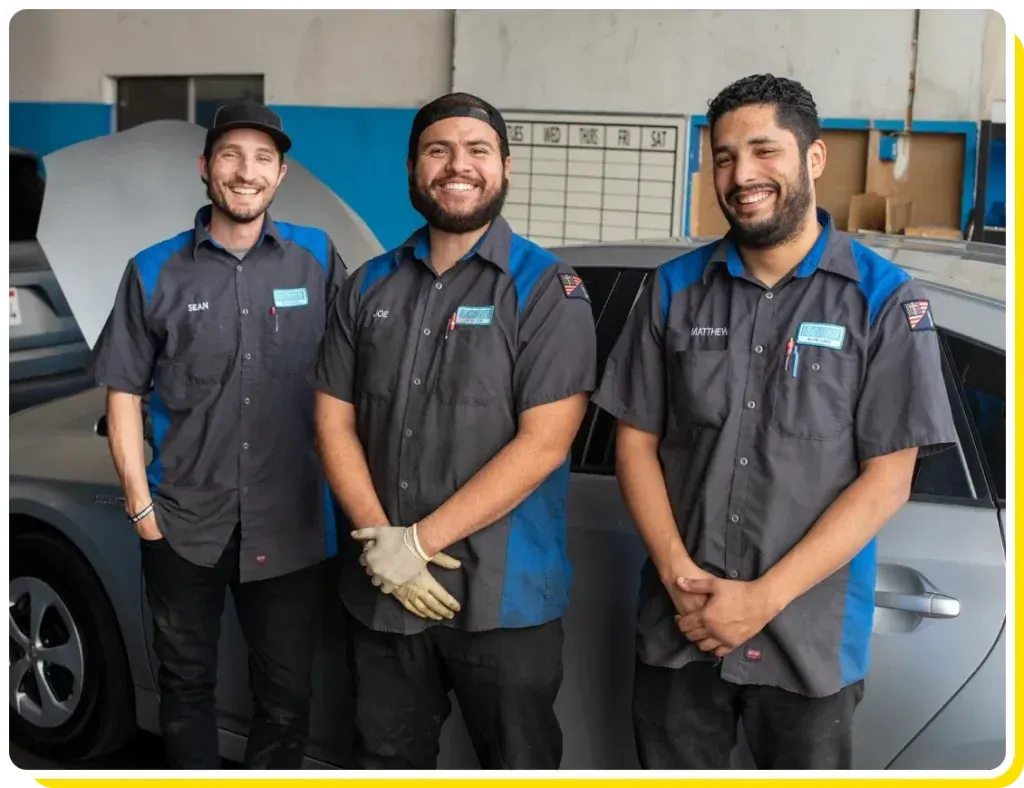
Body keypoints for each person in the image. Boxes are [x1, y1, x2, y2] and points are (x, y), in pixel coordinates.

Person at [590, 74, 958, 770]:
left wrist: (760, 600)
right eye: (725, 156)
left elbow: (887, 480)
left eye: (764, 151)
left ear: (813, 159)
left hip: (807, 645)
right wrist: (678, 581)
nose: (742, 174)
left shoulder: (880, 300)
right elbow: (633, 443)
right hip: (681, 631)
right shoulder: (672, 290)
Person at [311, 92, 597, 769]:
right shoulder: (368, 286)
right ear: (413, 169)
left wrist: (418, 543)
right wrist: (385, 548)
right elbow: (333, 419)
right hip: (382, 598)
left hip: (505, 599)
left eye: (476, 150)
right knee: (383, 763)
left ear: (505, 167)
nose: (457, 165)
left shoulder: (546, 290)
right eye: (438, 151)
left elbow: (545, 443)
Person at [91, 99, 347, 769]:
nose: (246, 171)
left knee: (288, 699)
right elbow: (122, 391)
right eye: (231, 155)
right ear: (206, 168)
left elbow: (353, 377)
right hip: (181, 524)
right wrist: (140, 504)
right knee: (184, 691)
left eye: (263, 158)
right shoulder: (154, 270)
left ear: (281, 174)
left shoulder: (317, 258)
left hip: (291, 524)